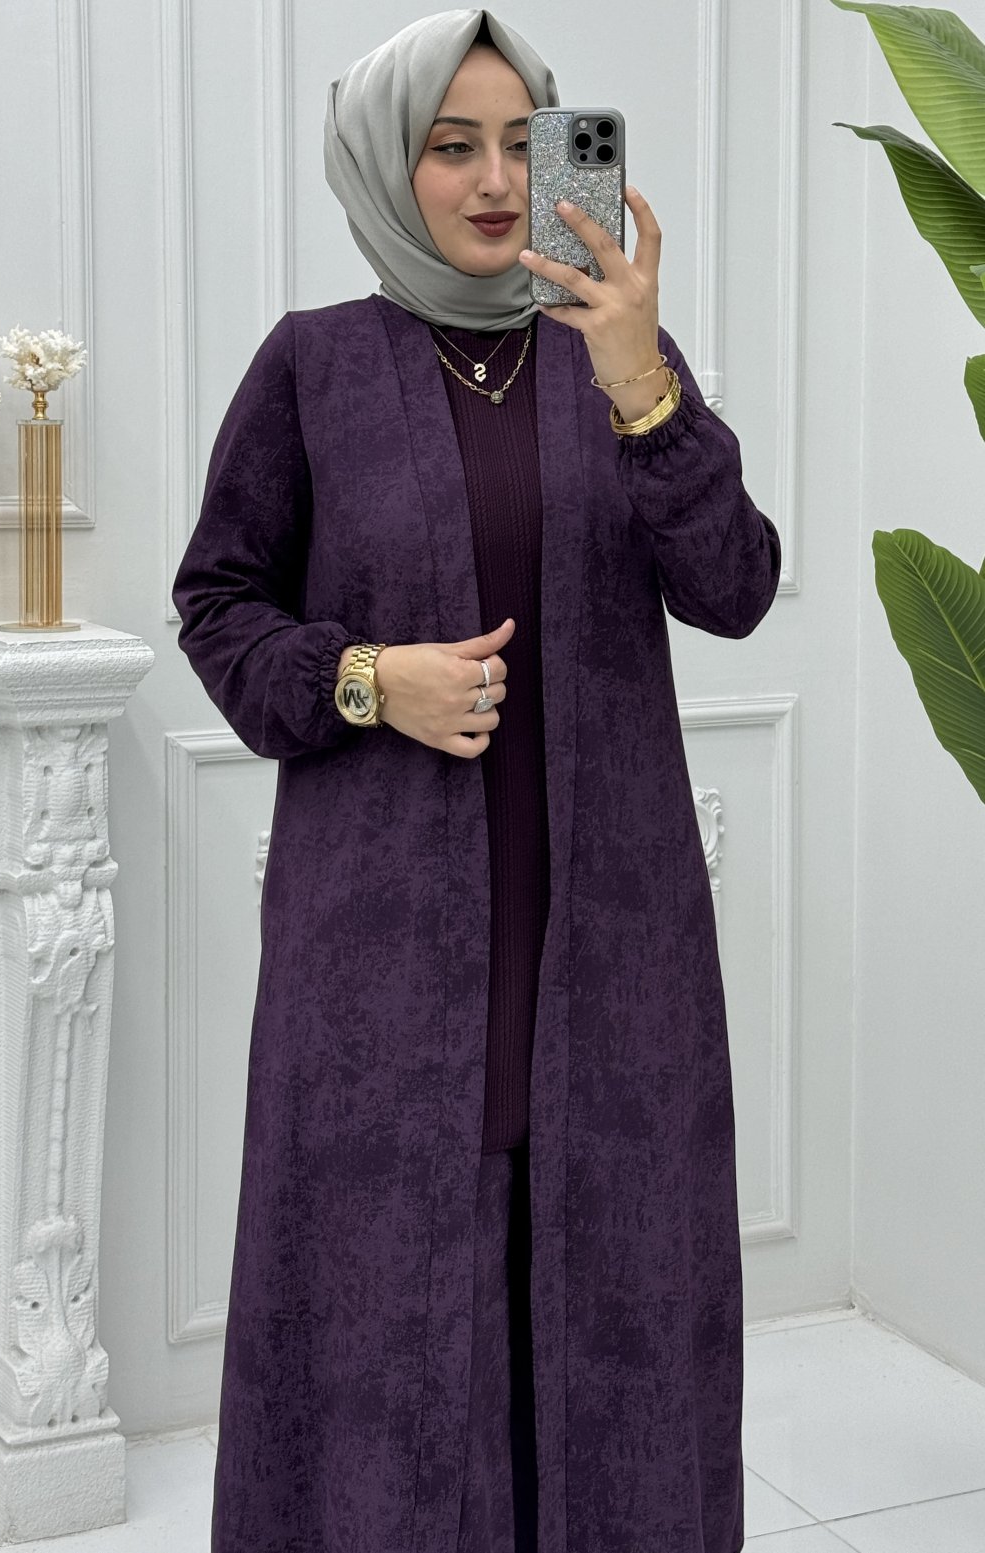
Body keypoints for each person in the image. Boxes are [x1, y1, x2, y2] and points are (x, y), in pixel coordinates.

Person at [171, 9, 781, 1552]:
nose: (499, 182)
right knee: (385, 1302)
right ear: (392, 164)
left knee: (606, 1277)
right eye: (454, 147)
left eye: (525, 143)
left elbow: (736, 586)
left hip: (608, 949)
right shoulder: (312, 366)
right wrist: (371, 677)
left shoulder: (616, 358)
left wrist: (645, 387)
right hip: (381, 960)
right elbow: (220, 606)